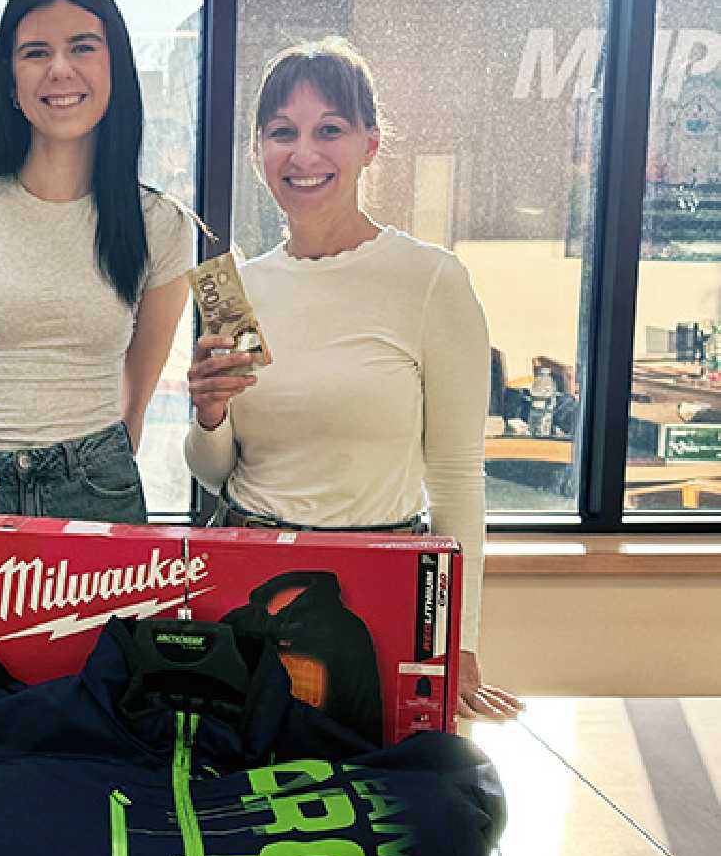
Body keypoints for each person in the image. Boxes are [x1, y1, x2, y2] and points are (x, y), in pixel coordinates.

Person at [183, 38, 520, 721]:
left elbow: (457, 477)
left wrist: (462, 640)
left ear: (370, 143)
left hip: (382, 588)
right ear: (257, 151)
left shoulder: (431, 281)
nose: (303, 155)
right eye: (283, 133)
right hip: (251, 585)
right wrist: (209, 418)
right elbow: (217, 472)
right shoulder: (235, 288)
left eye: (328, 130)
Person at [0, 0, 193, 523]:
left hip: (98, 484)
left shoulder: (162, 224)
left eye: (83, 46)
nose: (60, 69)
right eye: (35, 52)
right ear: (9, 81)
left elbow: (137, 398)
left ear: (115, 68)